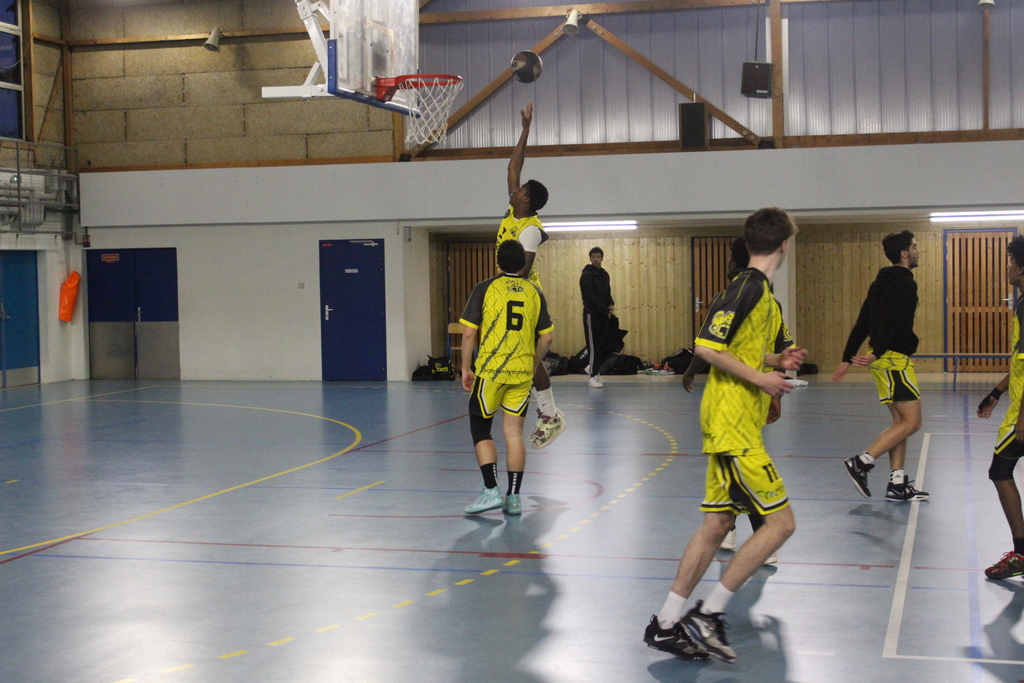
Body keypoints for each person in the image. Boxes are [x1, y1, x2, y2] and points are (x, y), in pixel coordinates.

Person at [644, 208, 806, 664]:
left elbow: (737, 349)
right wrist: (761, 379)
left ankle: (666, 624)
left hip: (733, 423)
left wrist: (776, 361)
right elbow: (706, 346)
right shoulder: (748, 287)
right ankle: (709, 613)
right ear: (784, 245)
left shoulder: (759, 292)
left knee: (716, 525)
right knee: (781, 524)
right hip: (733, 425)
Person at [680, 236, 790, 564]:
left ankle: (756, 536)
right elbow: (778, 348)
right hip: (751, 396)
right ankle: (732, 527)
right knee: (738, 467)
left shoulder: (736, 295)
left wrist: (690, 373)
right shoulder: (768, 300)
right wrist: (774, 381)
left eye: (730, 256)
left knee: (742, 467)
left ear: (736, 261)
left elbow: (708, 345)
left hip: (741, 396)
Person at [833, 230, 929, 502]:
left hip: (884, 360)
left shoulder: (880, 282)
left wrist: (847, 357)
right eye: (914, 247)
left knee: (900, 423)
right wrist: (877, 352)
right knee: (912, 422)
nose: (918, 251)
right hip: (893, 360)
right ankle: (861, 462)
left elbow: (863, 322)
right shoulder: (906, 283)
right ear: (904, 253)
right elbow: (893, 320)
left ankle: (897, 484)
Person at [460, 240, 554, 516]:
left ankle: (491, 489)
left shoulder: (485, 288)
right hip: (521, 373)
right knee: (514, 434)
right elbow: (547, 338)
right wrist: (532, 364)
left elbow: (469, 333)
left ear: (497, 262)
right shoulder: (535, 292)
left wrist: (465, 368)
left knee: (481, 428)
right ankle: (514, 498)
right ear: (523, 264)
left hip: (491, 370)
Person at [495, 101, 564, 449]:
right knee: (521, 357)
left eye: (521, 190)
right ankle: (545, 411)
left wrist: (498, 291)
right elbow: (513, 166)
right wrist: (525, 130)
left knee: (527, 357)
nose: (515, 189)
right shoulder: (513, 213)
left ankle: (550, 415)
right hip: (510, 290)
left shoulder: (530, 230)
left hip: (525, 296)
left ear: (527, 200)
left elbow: (522, 271)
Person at [978, 236, 1024, 579]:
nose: (1007, 268)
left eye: (1010, 263)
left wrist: (1023, 416)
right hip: (1016, 402)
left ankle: (1021, 554)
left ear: (1021, 268)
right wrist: (996, 391)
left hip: (1021, 412)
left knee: (1000, 470)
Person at [579, 246, 615, 388]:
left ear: (602, 258)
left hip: (603, 314)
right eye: (593, 257)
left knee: (603, 344)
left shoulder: (605, 274)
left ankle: (594, 368)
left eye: (598, 257)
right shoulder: (586, 275)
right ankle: (593, 376)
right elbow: (589, 296)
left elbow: (607, 292)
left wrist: (611, 304)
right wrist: (604, 308)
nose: (595, 259)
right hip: (591, 314)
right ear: (590, 258)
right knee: (593, 345)